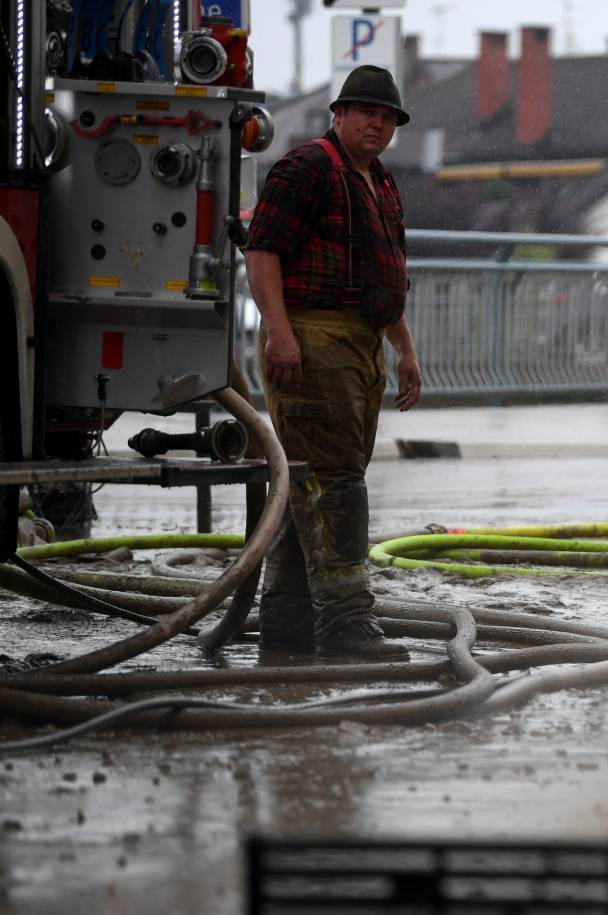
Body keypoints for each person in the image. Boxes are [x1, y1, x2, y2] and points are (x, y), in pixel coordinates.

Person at [244, 65, 422, 657]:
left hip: (359, 342)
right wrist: (280, 333)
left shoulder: (379, 182)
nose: (378, 123)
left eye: (388, 116)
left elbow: (382, 276)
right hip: (313, 340)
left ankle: (288, 622)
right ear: (338, 115)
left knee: (311, 482)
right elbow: (263, 252)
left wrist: (404, 350)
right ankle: (347, 623)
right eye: (366, 112)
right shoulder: (308, 168)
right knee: (334, 484)